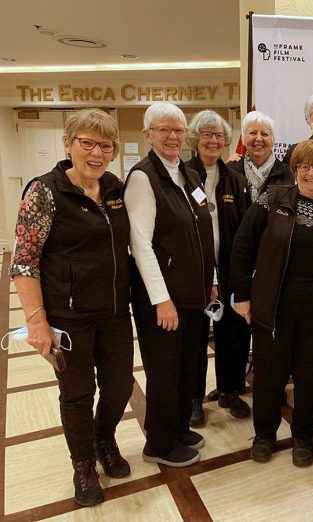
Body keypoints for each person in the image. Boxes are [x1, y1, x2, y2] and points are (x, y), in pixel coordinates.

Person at [9, 109, 132, 506]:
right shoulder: (44, 191)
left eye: (105, 146)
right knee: (78, 394)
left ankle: (104, 438)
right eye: (88, 143)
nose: (97, 153)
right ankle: (83, 464)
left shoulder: (114, 188)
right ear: (68, 144)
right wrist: (37, 323)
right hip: (69, 316)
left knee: (119, 386)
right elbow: (24, 261)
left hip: (113, 311)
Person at [230, 139, 313, 468]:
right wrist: (241, 295)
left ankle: (303, 435)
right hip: (276, 302)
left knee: (310, 374)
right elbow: (242, 245)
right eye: (302, 166)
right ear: (294, 171)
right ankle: (264, 434)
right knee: (269, 374)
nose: (310, 172)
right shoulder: (272, 198)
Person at [125, 102, 215, 468]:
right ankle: (159, 443)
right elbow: (140, 244)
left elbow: (203, 232)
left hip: (193, 294)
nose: (173, 136)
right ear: (148, 135)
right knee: (164, 371)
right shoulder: (144, 178)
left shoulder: (188, 175)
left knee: (187, 367)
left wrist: (211, 282)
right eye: (164, 129)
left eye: (178, 129)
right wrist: (161, 300)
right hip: (164, 300)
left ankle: (178, 428)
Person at [185, 110, 251, 426]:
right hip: (194, 276)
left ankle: (229, 390)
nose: (213, 140)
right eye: (207, 134)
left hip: (228, 274)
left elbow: (244, 231)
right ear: (195, 139)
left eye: (219, 136)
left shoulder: (235, 181)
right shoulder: (180, 176)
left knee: (233, 334)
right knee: (197, 338)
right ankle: (194, 398)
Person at [227, 110, 294, 204]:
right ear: (243, 139)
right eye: (253, 133)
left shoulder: (286, 173)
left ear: (272, 140)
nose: (258, 138)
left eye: (264, 134)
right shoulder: (231, 171)